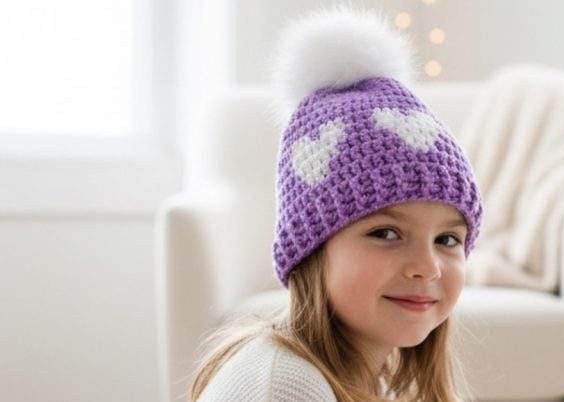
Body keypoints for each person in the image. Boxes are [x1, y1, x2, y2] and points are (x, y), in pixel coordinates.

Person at [189, 7, 483, 402]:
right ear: (312, 246)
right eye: (385, 232)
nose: (427, 267)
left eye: (447, 239)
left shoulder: (360, 376)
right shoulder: (282, 389)